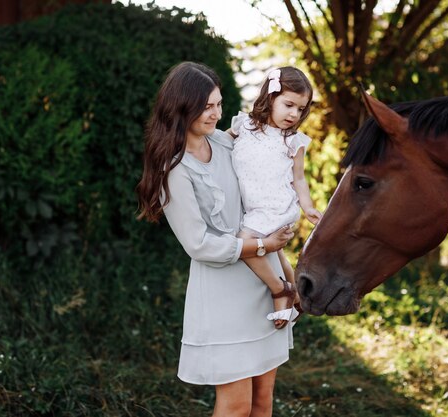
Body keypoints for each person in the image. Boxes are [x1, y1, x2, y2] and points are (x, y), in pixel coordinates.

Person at [137, 61, 295, 417]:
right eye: (207, 106)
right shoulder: (175, 170)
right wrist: (261, 247)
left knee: (262, 401)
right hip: (223, 297)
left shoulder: (227, 144)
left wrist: (283, 264)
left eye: (219, 104)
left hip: (265, 285)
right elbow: (198, 244)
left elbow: (256, 207)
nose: (216, 114)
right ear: (182, 107)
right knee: (236, 406)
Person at [229, 67, 322, 329]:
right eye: (289, 104)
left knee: (242, 244)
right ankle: (298, 296)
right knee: (277, 253)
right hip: (253, 205)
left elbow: (299, 178)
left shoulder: (292, 141)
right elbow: (220, 144)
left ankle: (280, 290)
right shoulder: (244, 126)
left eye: (301, 109)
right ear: (270, 98)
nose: (294, 114)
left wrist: (308, 207)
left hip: (275, 207)